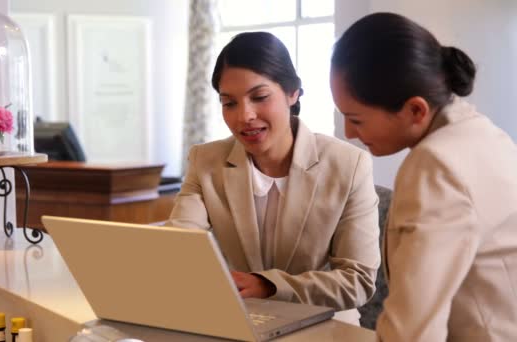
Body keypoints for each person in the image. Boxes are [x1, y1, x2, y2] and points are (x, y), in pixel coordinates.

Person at [166, 31, 380, 325]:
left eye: (260, 97)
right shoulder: (205, 161)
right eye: (229, 103)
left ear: (293, 93)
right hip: (239, 316)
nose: (245, 116)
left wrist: (269, 286)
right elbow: (178, 246)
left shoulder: (349, 164)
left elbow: (357, 281)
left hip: (322, 322)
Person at [330, 12, 517, 341]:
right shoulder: (484, 133)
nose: (348, 133)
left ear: (415, 110)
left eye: (356, 119)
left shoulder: (435, 167)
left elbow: (412, 331)